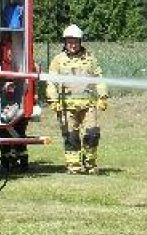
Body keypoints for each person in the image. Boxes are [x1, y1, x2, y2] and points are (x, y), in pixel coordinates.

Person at [46, 24, 108, 174]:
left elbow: (99, 79)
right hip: (67, 107)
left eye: (75, 42)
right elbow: (51, 82)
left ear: (80, 42)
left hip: (88, 105)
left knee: (92, 134)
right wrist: (53, 100)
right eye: (69, 42)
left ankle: (90, 163)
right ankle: (73, 166)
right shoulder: (58, 61)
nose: (73, 45)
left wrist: (103, 96)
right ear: (65, 43)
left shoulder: (90, 59)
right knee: (71, 137)